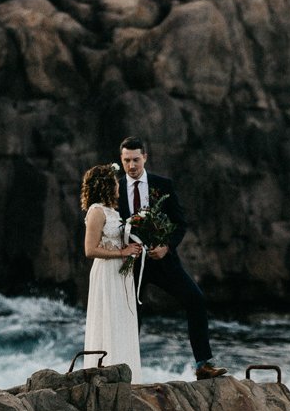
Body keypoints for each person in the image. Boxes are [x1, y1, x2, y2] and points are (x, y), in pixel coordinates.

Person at [117, 136, 226, 379]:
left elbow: (180, 223)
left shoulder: (162, 185)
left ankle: (203, 365)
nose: (132, 166)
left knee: (195, 299)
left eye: (136, 160)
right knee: (130, 316)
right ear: (121, 160)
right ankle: (125, 371)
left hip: (163, 260)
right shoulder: (115, 187)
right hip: (131, 264)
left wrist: (167, 246)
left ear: (145, 157)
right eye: (126, 161)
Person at [80, 164, 144, 375]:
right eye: (116, 182)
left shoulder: (112, 211)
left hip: (121, 273)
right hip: (107, 272)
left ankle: (127, 370)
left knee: (122, 320)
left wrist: (132, 248)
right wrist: (122, 253)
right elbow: (90, 249)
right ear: (107, 185)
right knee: (108, 319)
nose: (119, 185)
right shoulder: (96, 211)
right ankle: (105, 370)